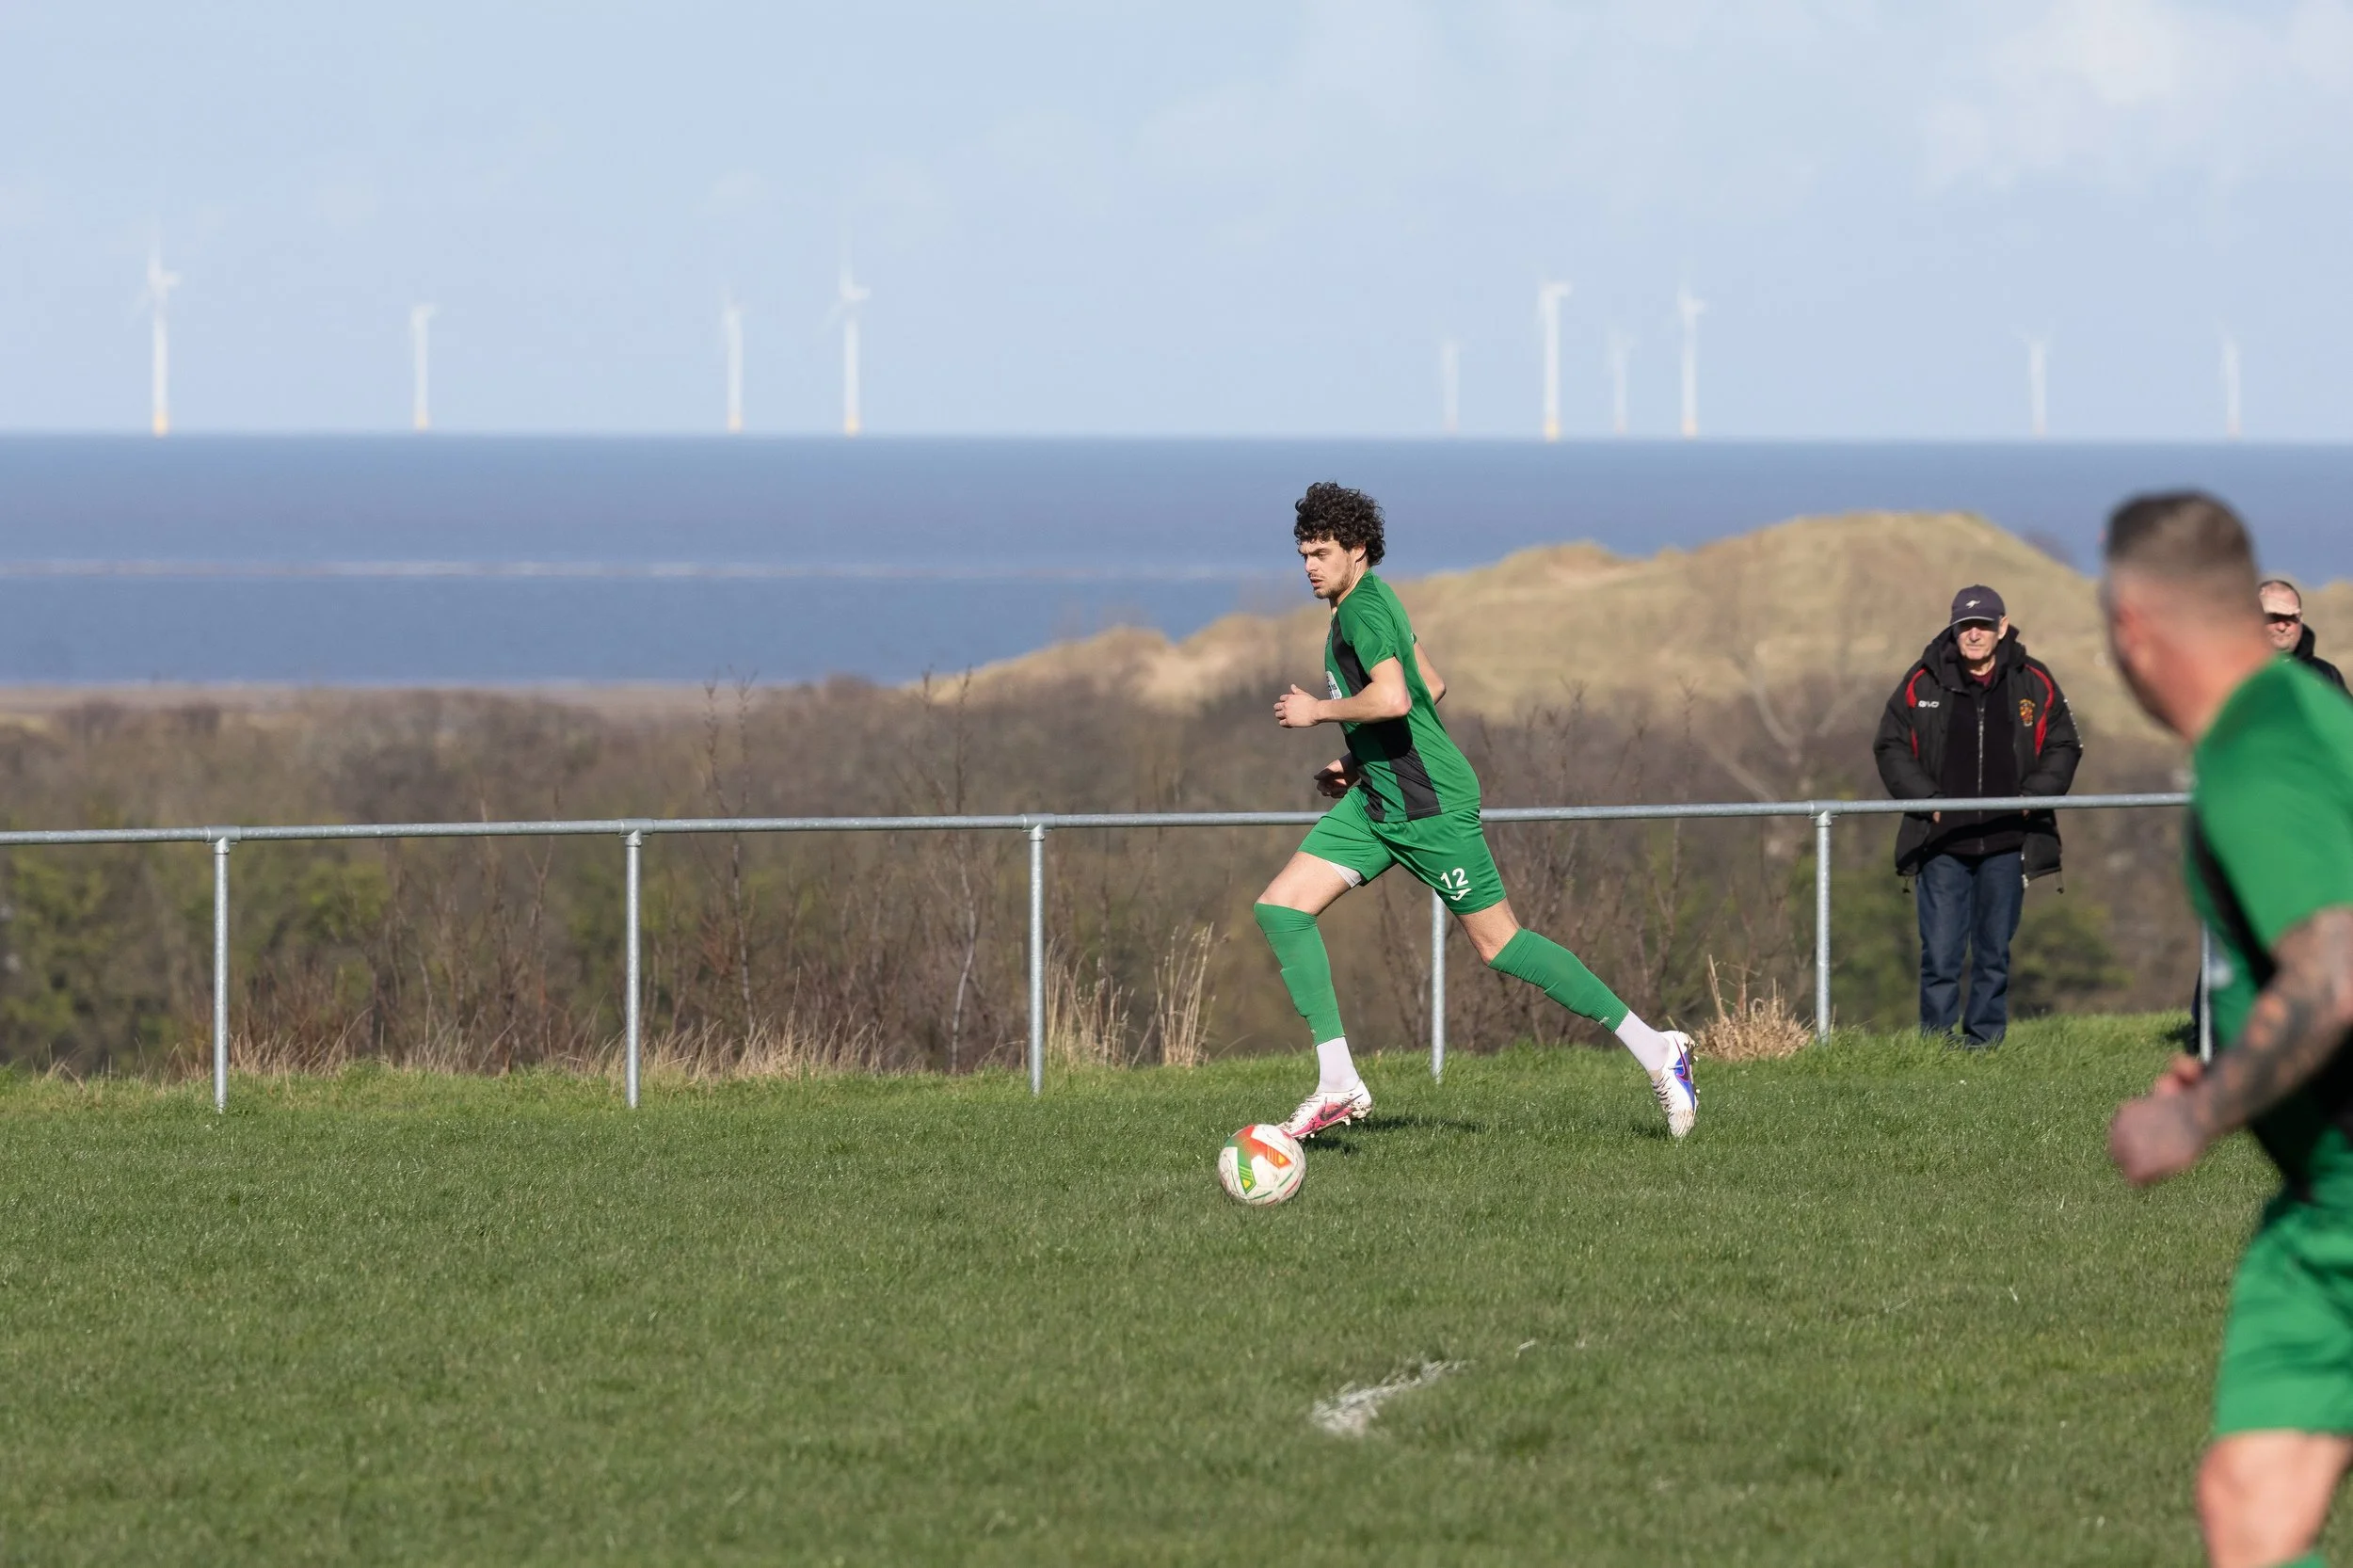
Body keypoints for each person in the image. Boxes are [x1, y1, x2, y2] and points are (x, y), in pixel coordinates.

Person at [1255, 482, 1698, 1141]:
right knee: (1281, 909)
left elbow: (1399, 698)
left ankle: (1657, 1050)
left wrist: (1318, 712)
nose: (1310, 566)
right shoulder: (1373, 602)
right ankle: (1338, 1083)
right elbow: (1432, 685)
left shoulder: (1361, 615)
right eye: (1303, 554)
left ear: (1358, 550)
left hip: (1430, 809)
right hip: (1381, 803)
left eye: (1321, 552)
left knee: (1503, 945)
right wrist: (1358, 762)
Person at [2105, 492, 2353, 1568]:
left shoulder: (2254, 752)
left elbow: (2336, 968)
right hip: (2325, 1212)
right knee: (2248, 1506)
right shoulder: (2310, 720)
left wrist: (2198, 1114)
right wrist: (2239, 1067)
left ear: (2133, 628)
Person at [1873, 585, 2082, 1047]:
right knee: (1941, 954)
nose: (1974, 634)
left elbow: (2065, 745)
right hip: (1942, 843)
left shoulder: (2034, 680)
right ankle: (1935, 1043)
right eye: (1966, 626)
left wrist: (2033, 795)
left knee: (1993, 953)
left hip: (2008, 842)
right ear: (1953, 628)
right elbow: (1889, 745)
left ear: (2001, 628)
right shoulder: (1921, 680)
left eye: (1984, 625)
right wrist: (1927, 800)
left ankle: (1985, 1041)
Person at [2262, 578, 2348, 693]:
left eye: (2290, 618)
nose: (2281, 627)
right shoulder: (2235, 674)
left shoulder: (2326, 675)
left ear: (2301, 619)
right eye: (2273, 618)